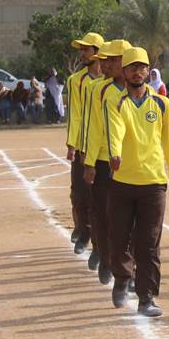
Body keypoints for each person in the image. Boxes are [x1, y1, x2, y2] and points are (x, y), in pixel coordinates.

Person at [104, 47, 169, 317]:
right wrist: (114, 153)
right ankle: (123, 277)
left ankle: (146, 298)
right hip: (122, 182)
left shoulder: (163, 104)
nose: (138, 72)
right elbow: (116, 130)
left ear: (149, 71)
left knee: (149, 243)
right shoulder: (116, 103)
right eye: (132, 68)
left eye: (142, 67)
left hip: (153, 183)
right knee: (119, 237)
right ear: (124, 72)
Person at [82, 39, 133, 286]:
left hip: (131, 164)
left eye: (113, 60)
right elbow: (93, 128)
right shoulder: (99, 91)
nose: (106, 65)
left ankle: (129, 266)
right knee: (103, 215)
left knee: (130, 219)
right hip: (104, 161)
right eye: (104, 60)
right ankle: (105, 258)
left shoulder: (146, 91)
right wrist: (89, 162)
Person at [65, 32, 104, 252]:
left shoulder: (110, 82)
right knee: (79, 192)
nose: (82, 53)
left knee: (101, 197)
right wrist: (72, 144)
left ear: (98, 53)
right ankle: (83, 230)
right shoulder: (76, 81)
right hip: (83, 145)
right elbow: (75, 114)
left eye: (86, 49)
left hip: (105, 148)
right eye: (81, 49)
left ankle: (99, 242)